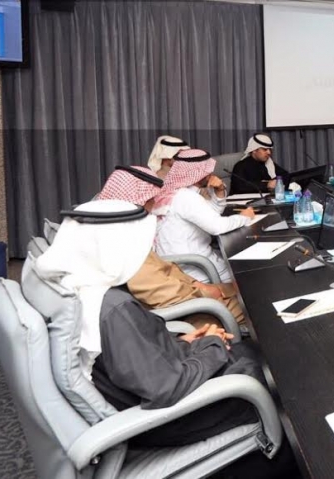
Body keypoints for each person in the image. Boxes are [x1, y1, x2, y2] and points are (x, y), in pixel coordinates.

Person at [32, 199, 264, 447]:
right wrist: (214, 345)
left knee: (251, 352)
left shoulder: (83, 287)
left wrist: (181, 342)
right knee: (268, 373)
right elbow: (165, 388)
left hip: (158, 384)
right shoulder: (114, 309)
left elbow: (134, 356)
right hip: (173, 417)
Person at [97, 165, 246, 326]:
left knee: (246, 287)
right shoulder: (121, 245)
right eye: (151, 199)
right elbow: (161, 293)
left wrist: (196, 284)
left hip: (191, 292)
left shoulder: (123, 233)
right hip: (195, 310)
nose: (155, 203)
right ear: (138, 202)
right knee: (256, 303)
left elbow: (163, 270)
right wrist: (204, 291)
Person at [153, 149, 254, 283]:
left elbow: (210, 215)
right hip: (193, 267)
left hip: (181, 261)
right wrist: (244, 217)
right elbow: (217, 227)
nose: (210, 174)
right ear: (197, 173)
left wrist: (219, 190)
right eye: (207, 170)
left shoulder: (178, 192)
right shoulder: (185, 197)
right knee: (248, 272)